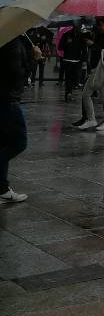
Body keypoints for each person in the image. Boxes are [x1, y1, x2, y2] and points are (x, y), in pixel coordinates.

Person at [0, 32, 42, 203]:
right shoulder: (13, 44)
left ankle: (2, 188)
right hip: (8, 100)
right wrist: (34, 59)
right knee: (18, 142)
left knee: (3, 143)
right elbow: (17, 75)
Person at [74, 17, 104, 132]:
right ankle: (96, 120)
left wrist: (92, 44)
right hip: (98, 70)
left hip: (102, 71)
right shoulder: (103, 35)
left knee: (93, 95)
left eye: (100, 25)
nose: (99, 27)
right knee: (100, 95)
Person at [58, 23, 85, 101]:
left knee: (76, 77)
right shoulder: (66, 35)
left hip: (77, 60)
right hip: (67, 60)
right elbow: (60, 47)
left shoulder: (81, 36)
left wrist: (83, 59)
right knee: (68, 77)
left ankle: (71, 89)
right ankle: (68, 92)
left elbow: (84, 49)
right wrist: (67, 43)